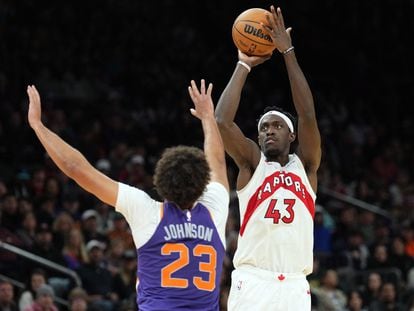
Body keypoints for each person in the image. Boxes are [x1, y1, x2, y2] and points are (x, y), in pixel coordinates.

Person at [27, 79, 229, 310]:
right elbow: (218, 162)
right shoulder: (215, 210)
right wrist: (207, 118)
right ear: (203, 183)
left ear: (160, 182)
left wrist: (38, 126)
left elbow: (77, 169)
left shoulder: (147, 211)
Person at [215, 5, 321, 310]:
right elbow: (222, 121)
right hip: (254, 282)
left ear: (292, 135)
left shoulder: (307, 166)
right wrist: (243, 65)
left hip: (295, 286)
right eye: (263, 128)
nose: (268, 132)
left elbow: (308, 114)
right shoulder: (252, 163)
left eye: (276, 126)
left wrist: (288, 52)